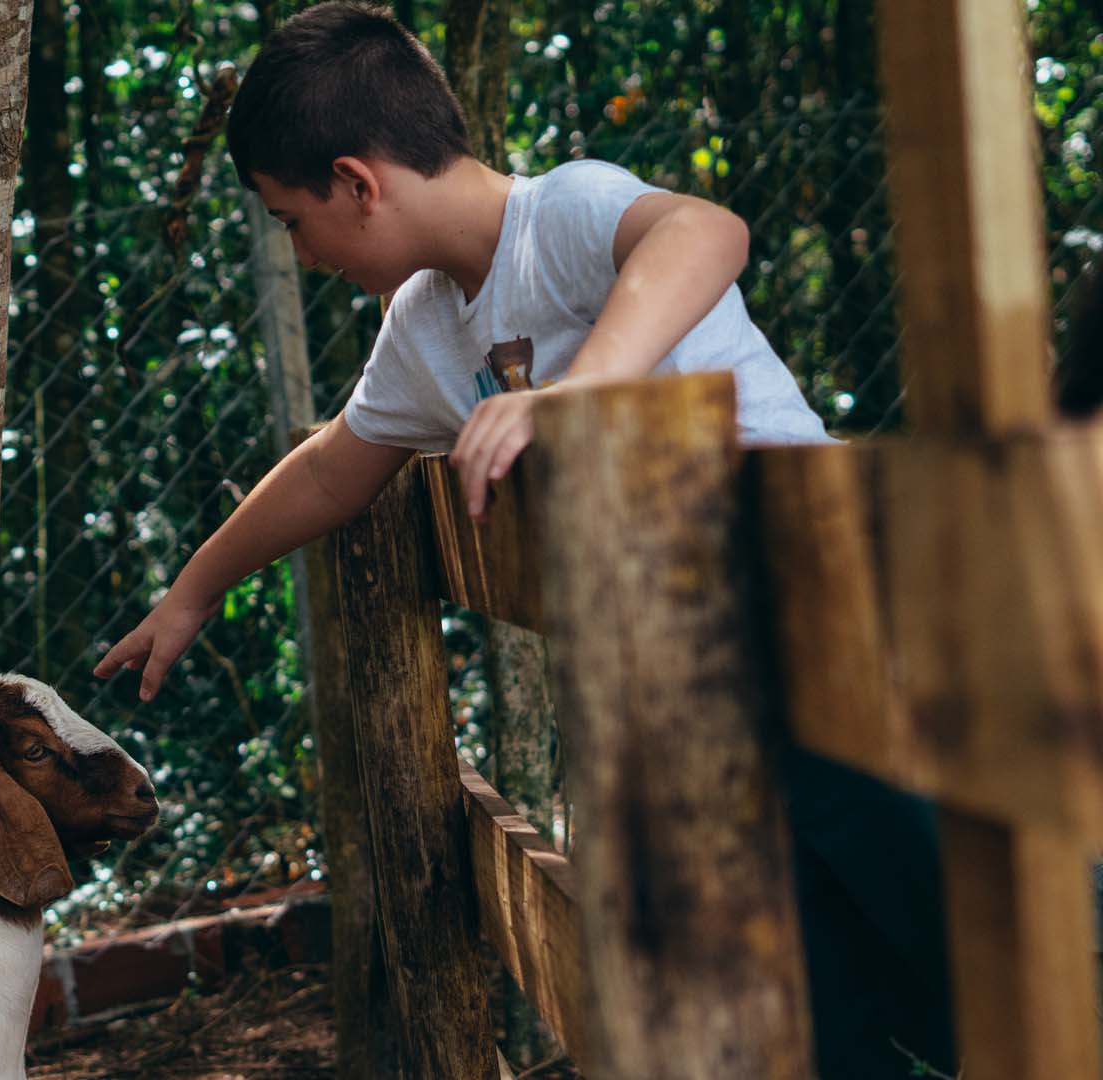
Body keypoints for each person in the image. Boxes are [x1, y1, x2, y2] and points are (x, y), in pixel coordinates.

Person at [94, 4, 957, 1075]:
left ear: (358, 183)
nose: (301, 254)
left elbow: (707, 232)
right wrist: (194, 590)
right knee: (806, 1011)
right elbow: (330, 467)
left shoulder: (570, 211)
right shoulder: (421, 328)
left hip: (833, 640)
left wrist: (576, 394)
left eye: (291, 220)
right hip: (698, 712)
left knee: (969, 944)